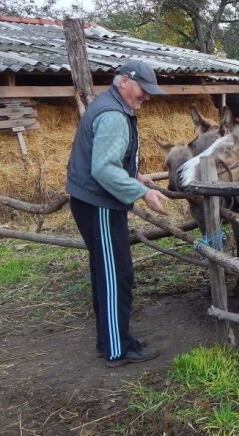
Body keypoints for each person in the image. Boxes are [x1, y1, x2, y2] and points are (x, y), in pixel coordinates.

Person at [66, 59, 171, 367]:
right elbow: (103, 169)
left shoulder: (108, 105)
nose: (147, 96)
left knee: (106, 272)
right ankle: (118, 349)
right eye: (143, 89)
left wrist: (134, 176)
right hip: (100, 204)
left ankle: (109, 340)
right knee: (116, 275)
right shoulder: (113, 114)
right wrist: (142, 192)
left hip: (92, 201)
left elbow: (105, 158)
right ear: (124, 80)